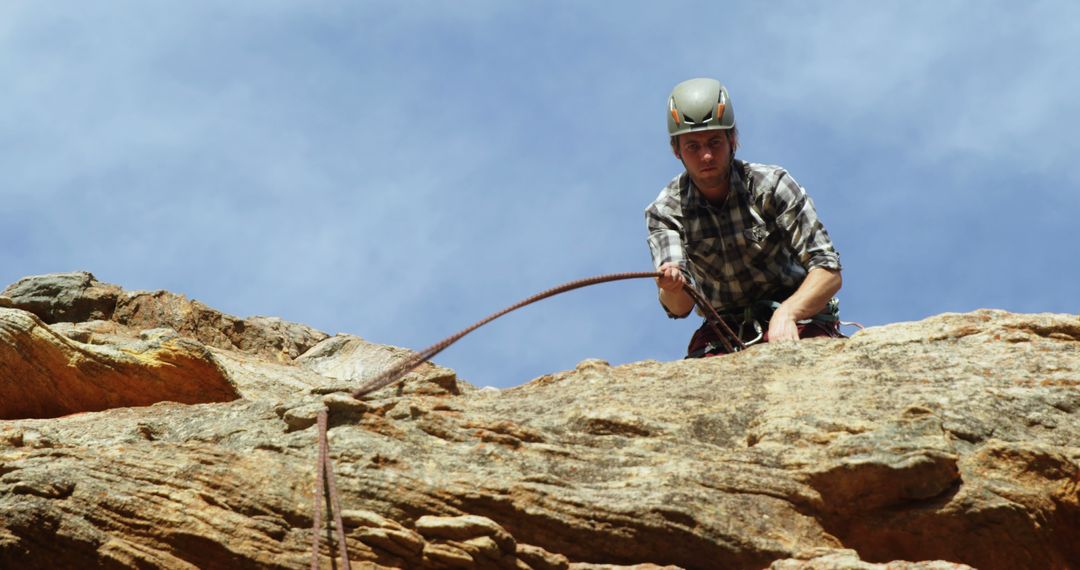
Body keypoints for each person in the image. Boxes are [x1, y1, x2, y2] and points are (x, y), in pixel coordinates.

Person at [645, 77, 843, 357]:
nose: (706, 156)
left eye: (715, 142)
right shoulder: (666, 211)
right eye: (692, 146)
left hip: (797, 313)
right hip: (724, 330)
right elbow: (679, 306)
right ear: (676, 150)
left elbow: (827, 270)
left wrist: (787, 313)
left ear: (732, 139)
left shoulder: (772, 186)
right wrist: (671, 286)